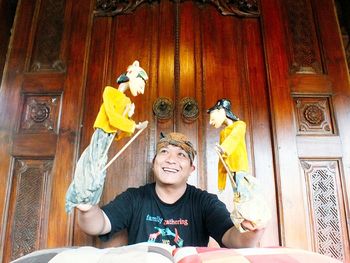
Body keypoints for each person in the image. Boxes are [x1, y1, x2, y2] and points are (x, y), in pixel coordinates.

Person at [76, 132, 265, 248]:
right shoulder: (134, 198)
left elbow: (234, 240)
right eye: (164, 152)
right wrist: (87, 208)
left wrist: (252, 231)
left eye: (181, 155)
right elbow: (98, 225)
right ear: (154, 163)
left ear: (191, 169)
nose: (171, 159)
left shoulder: (205, 202)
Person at [65, 60, 148, 213]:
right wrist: (134, 125)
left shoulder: (127, 101)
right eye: (141, 85)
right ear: (131, 75)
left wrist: (129, 118)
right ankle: (81, 195)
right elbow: (112, 118)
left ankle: (89, 197)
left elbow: (119, 131)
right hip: (102, 134)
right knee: (93, 163)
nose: (141, 91)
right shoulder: (109, 91)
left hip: (109, 137)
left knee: (100, 166)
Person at [207, 99, 271, 233]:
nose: (211, 122)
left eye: (212, 119)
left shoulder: (240, 125)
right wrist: (221, 181)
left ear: (221, 111)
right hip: (230, 169)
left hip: (239, 167)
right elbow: (222, 157)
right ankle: (245, 220)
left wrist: (224, 148)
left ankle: (251, 218)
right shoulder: (223, 132)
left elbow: (234, 138)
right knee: (237, 194)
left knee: (243, 194)